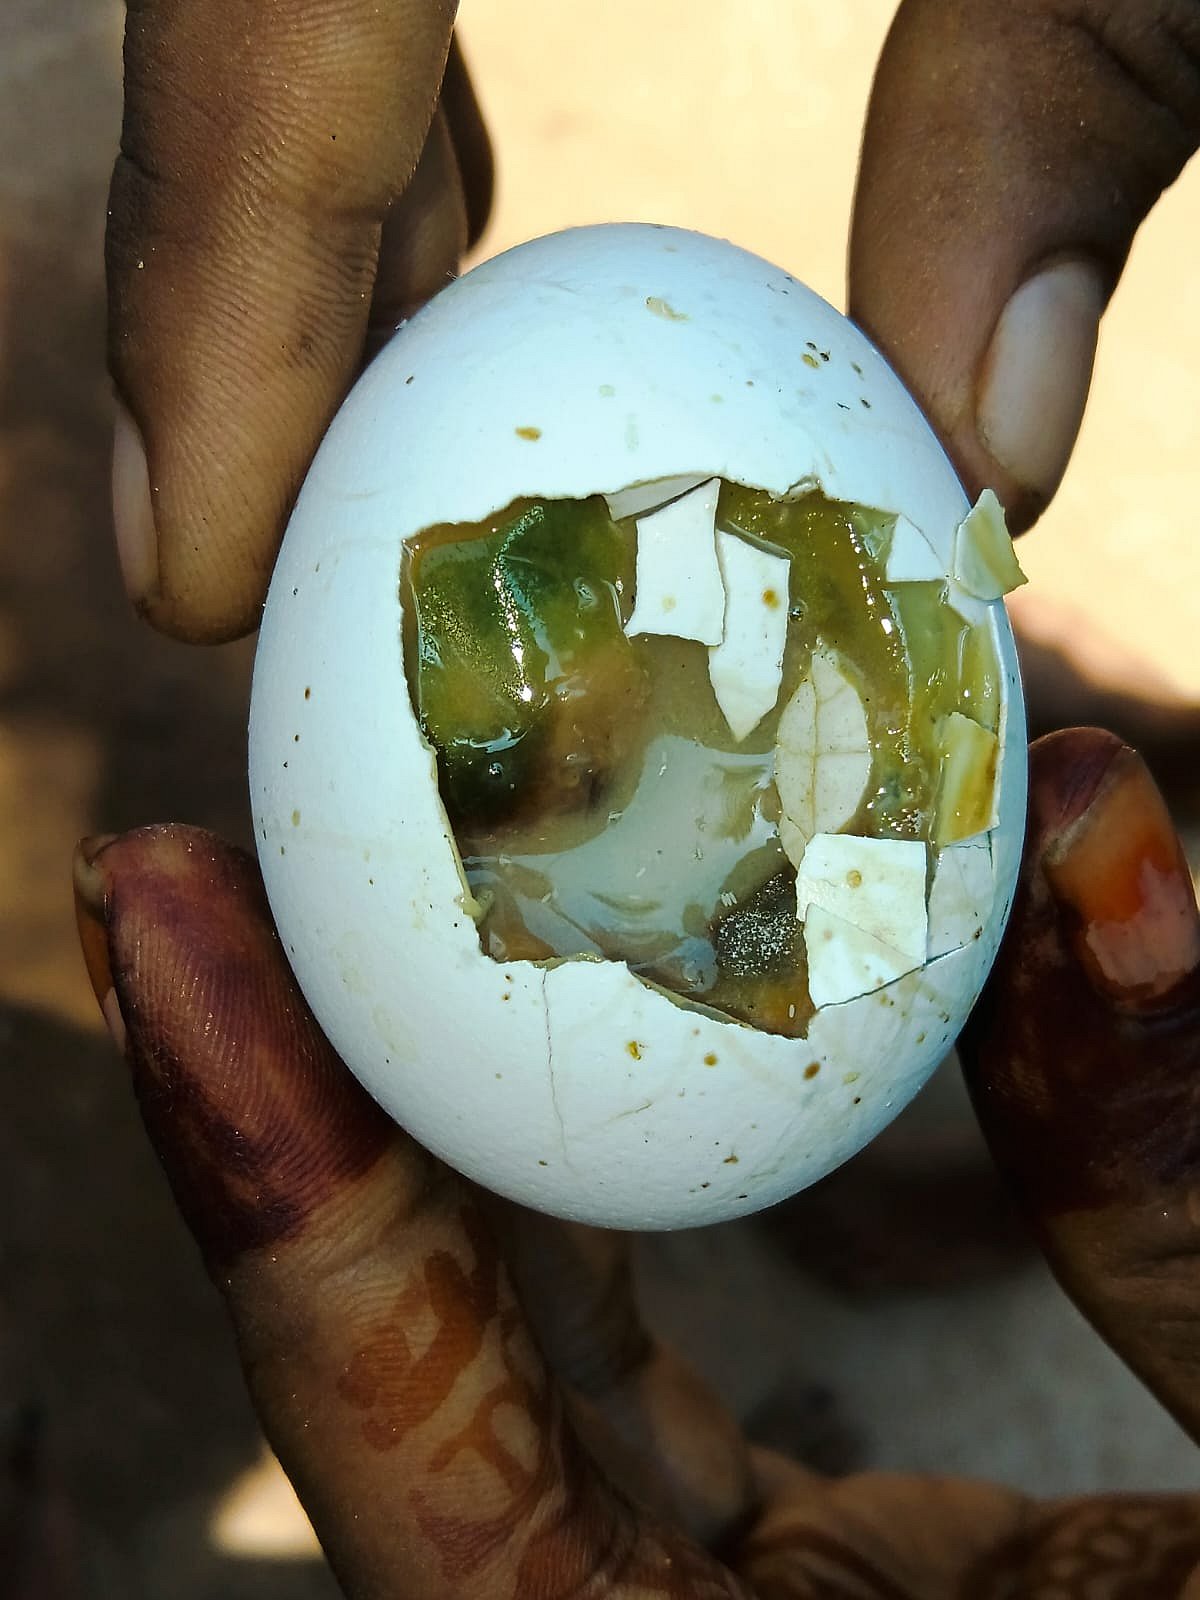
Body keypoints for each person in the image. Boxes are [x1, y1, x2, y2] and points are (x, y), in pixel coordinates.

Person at [84, 3, 1200, 1592]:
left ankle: (911, 964)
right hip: (826, 886)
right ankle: (895, 1032)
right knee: (908, 865)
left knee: (907, 825)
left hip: (861, 832)